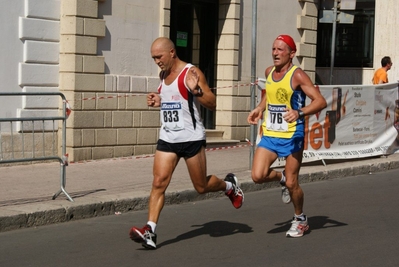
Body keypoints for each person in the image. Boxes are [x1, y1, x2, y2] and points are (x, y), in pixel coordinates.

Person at [129, 37, 244, 249]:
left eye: (159, 57)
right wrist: (159, 101)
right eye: (153, 58)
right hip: (168, 138)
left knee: (201, 186)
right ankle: (150, 231)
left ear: (172, 52)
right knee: (158, 182)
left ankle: (229, 186)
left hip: (191, 138)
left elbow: (212, 103)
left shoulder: (192, 73)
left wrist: (196, 90)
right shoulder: (163, 74)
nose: (157, 61)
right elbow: (176, 100)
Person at [247, 35, 327, 238]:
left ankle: (300, 219)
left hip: (292, 135)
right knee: (257, 176)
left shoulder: (297, 75)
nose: (275, 53)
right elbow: (267, 95)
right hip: (271, 134)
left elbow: (320, 101)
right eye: (273, 49)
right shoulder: (269, 71)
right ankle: (281, 178)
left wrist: (300, 112)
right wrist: (258, 108)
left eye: (280, 50)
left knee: (293, 183)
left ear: (292, 54)